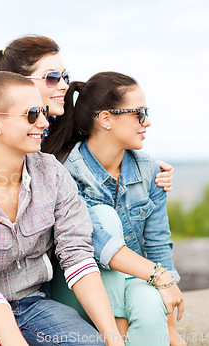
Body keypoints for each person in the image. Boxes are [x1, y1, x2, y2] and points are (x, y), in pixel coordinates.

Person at [0, 71, 124, 346]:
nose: (44, 123)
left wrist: (112, 339)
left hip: (32, 305)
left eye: (43, 112)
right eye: (32, 114)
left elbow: (77, 255)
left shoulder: (52, 173)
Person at [0, 35, 174, 194]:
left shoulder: (61, 121)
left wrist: (151, 172)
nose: (64, 84)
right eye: (52, 77)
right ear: (19, 81)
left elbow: (105, 151)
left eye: (65, 75)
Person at [42, 72, 185, 345]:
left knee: (148, 304)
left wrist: (170, 329)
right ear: (106, 119)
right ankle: (116, 332)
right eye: (139, 113)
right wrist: (120, 322)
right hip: (77, 286)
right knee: (105, 218)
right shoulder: (66, 172)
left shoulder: (149, 170)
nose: (147, 121)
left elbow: (157, 245)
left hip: (132, 279)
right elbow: (99, 242)